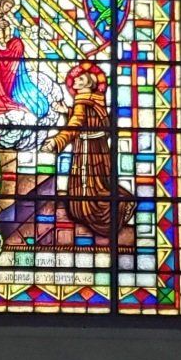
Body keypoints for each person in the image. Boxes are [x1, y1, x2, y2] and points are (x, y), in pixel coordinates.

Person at [48, 62, 116, 238]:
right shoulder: (95, 100)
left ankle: (95, 215)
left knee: (88, 185)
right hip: (99, 147)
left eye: (79, 79)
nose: (75, 81)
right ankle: (103, 210)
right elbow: (87, 119)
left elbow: (76, 124)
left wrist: (57, 141)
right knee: (99, 182)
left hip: (86, 149)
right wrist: (67, 111)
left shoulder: (82, 101)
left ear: (87, 84)